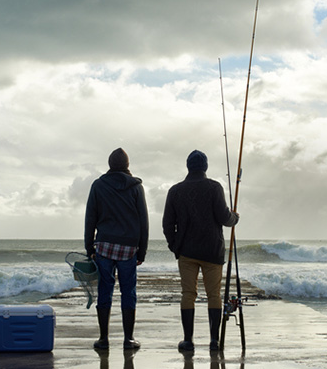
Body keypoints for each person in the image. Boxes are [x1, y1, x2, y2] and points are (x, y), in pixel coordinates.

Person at [162, 150, 239, 351]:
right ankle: (214, 341)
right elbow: (224, 217)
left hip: (187, 252)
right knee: (214, 294)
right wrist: (235, 218)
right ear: (205, 167)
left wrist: (175, 246)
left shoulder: (175, 191)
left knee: (188, 294)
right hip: (212, 251)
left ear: (188, 166)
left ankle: (188, 340)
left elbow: (167, 224)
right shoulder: (214, 187)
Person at [85, 148, 149, 350]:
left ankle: (103, 339)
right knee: (128, 291)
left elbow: (90, 218)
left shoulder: (98, 185)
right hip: (129, 248)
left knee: (105, 290)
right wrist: (142, 251)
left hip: (104, 246)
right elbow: (143, 221)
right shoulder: (136, 187)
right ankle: (128, 339)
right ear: (127, 165)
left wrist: (89, 247)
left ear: (110, 164)